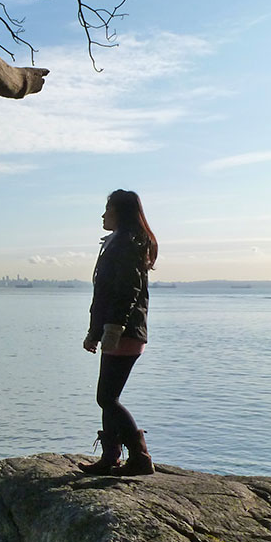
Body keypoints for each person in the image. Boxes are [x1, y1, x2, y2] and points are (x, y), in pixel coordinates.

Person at [78, 189, 158, 476]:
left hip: (125, 332)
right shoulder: (117, 241)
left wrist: (112, 329)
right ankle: (111, 455)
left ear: (119, 213)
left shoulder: (127, 243)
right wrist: (94, 332)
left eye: (107, 209)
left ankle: (139, 456)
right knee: (107, 395)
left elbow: (127, 291)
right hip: (119, 330)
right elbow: (104, 295)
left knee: (106, 398)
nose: (103, 215)